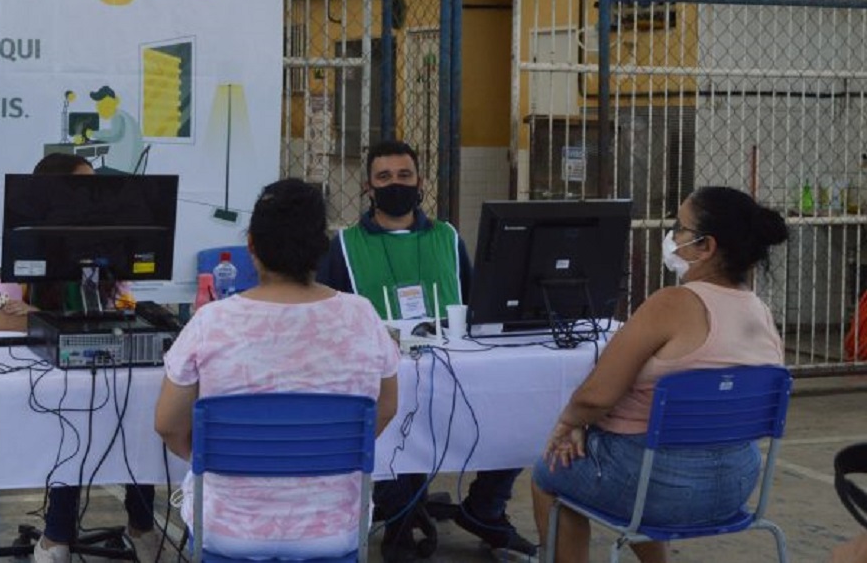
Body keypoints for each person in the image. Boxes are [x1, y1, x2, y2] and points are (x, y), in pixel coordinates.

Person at [531, 186, 789, 563]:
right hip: (737, 484)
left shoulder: (671, 304)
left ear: (707, 247)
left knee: (551, 470)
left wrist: (567, 424)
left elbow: (595, 396)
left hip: (657, 486)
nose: (671, 235)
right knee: (641, 463)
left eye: (679, 228)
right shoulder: (761, 313)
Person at [154, 178, 400, 559]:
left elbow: (168, 425)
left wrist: (215, 456)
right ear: (322, 247)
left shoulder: (211, 321)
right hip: (335, 529)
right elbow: (385, 409)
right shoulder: (362, 316)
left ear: (250, 245)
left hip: (228, 529)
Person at [316, 139, 536, 560]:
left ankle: (485, 509)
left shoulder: (446, 237)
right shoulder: (344, 245)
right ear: (368, 187)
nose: (394, 184)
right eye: (384, 177)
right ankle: (399, 513)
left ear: (420, 182)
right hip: (383, 378)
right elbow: (329, 316)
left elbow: (475, 303)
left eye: (404, 175)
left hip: (455, 370)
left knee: (521, 414)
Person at [0, 151, 158, 563]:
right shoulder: (26, 255)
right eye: (83, 188)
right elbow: (3, 325)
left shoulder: (109, 258)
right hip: (45, 386)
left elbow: (125, 312)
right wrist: (47, 318)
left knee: (139, 414)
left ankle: (142, 527)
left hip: (104, 377)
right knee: (71, 422)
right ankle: (57, 536)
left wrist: (46, 316)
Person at [86, 85, 145, 173]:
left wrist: (92, 134)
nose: (99, 108)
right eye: (98, 105)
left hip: (123, 171)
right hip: (132, 169)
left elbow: (114, 135)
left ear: (114, 102)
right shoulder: (124, 115)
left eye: (102, 104)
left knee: (91, 173)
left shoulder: (118, 116)